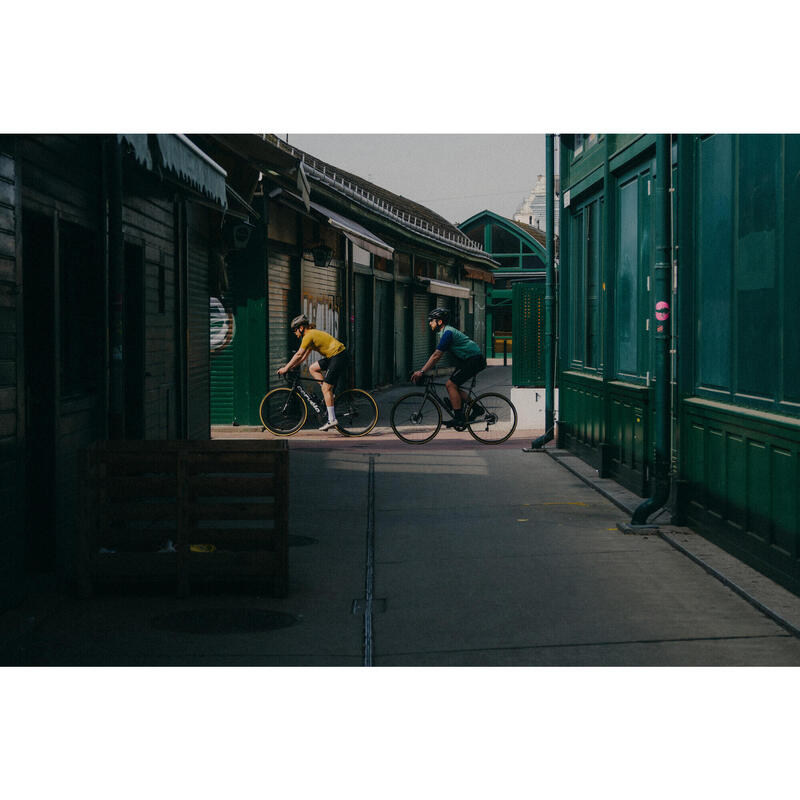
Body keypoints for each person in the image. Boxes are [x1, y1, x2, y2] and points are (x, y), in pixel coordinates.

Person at [411, 307, 487, 428]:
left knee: (450, 385)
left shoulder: (447, 333)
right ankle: (474, 408)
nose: (429, 323)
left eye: (431, 320)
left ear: (439, 322)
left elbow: (436, 356)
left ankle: (458, 418)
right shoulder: (446, 332)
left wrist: (422, 371)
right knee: (453, 386)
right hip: (469, 360)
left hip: (473, 359)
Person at [277, 314, 349, 431]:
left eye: (295, 330)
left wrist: (286, 368)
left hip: (338, 356)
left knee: (326, 388)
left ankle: (332, 419)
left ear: (301, 328)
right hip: (334, 356)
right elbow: (303, 358)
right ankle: (329, 392)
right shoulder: (311, 335)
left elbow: (299, 354)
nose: (295, 333)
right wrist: (291, 367)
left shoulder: (308, 336)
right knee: (312, 368)